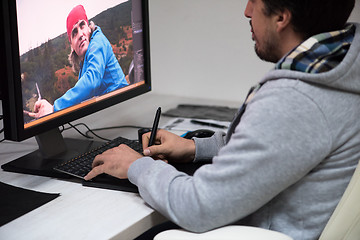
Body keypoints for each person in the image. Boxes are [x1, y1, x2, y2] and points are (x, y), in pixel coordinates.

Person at [84, 0, 360, 239]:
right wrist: (195, 148)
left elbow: (197, 207)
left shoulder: (296, 99)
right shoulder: (340, 66)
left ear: (281, 18)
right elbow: (286, 144)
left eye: (254, 2)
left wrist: (137, 165)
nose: (247, 11)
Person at [30, 5, 128, 118]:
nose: (80, 34)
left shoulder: (97, 42)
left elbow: (91, 82)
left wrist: (54, 108)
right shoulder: (84, 65)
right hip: (112, 111)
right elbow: (82, 94)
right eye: (74, 32)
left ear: (89, 28)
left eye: (82, 26)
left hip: (123, 105)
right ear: (71, 45)